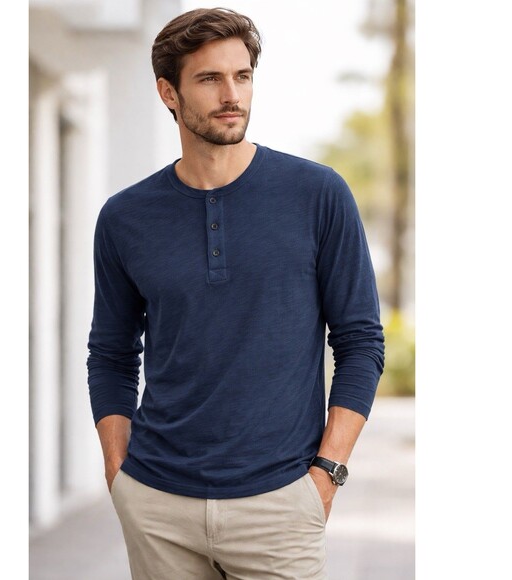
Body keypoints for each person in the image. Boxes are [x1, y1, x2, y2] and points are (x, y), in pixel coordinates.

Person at [87, 7, 384, 579]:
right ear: (168, 93)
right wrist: (118, 473)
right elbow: (112, 354)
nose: (232, 95)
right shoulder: (125, 217)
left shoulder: (317, 195)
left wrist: (327, 474)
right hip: (157, 502)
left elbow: (361, 342)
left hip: (280, 503)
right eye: (209, 79)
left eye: (242, 76)